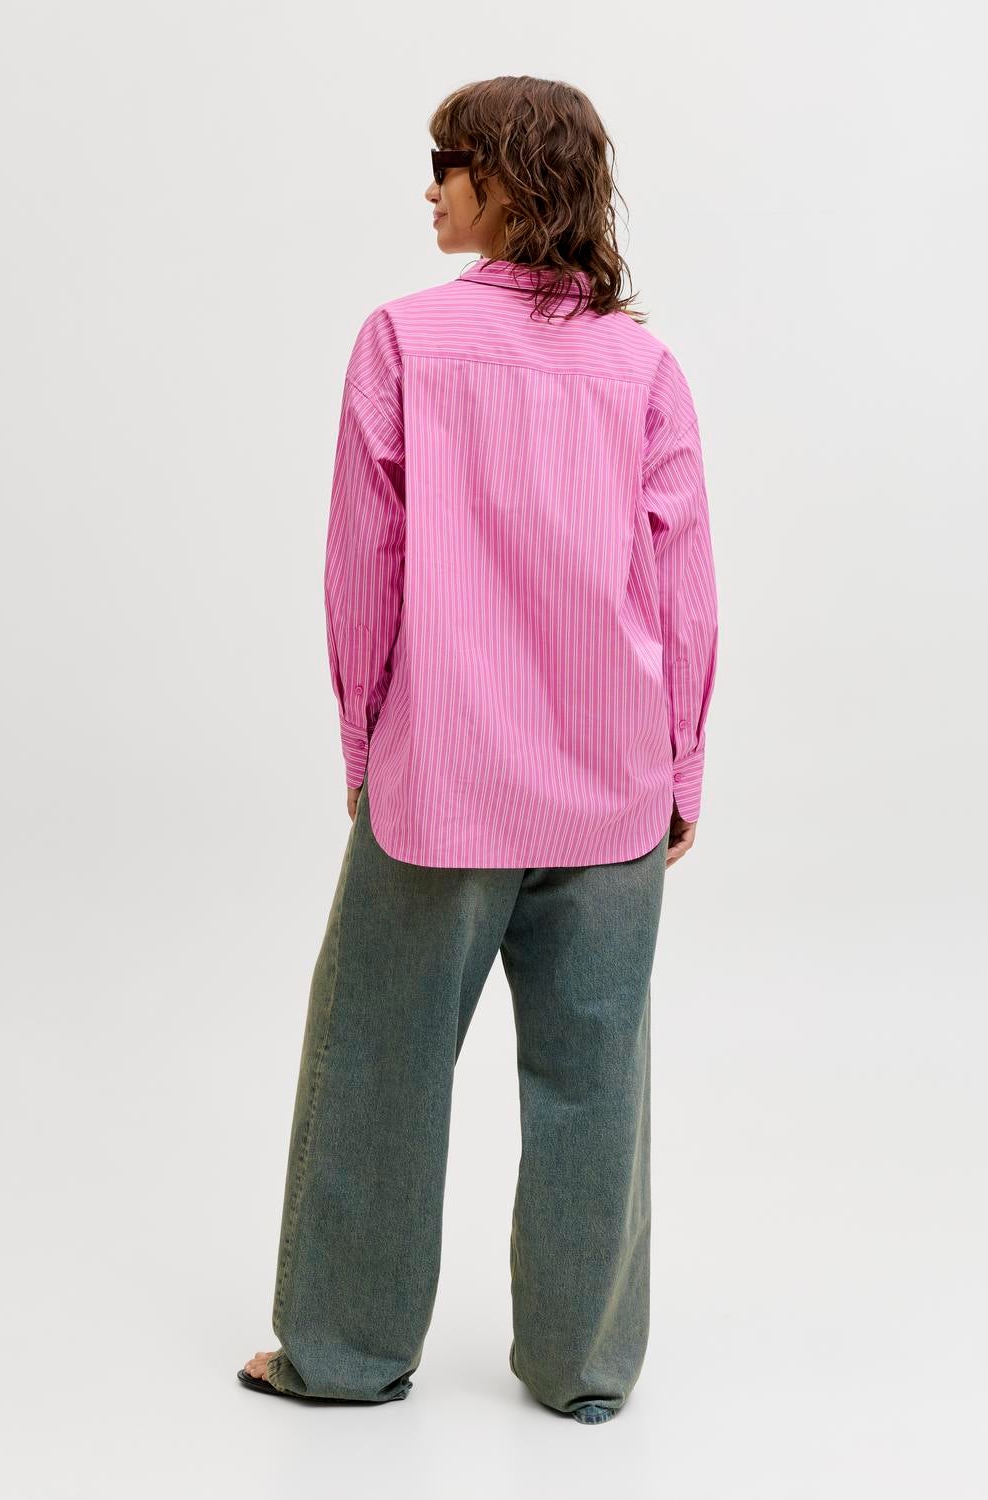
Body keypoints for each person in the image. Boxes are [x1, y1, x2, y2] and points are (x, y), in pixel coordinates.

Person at [239, 75, 719, 1425]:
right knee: (595, 1080)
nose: (431, 185)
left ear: (505, 179)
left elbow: (365, 566)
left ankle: (344, 1357)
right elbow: (684, 586)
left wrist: (362, 742)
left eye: (448, 162)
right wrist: (682, 764)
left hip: (442, 783)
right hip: (614, 789)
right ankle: (583, 1370)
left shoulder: (403, 341)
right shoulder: (641, 367)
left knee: (378, 1066)